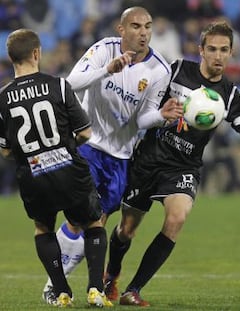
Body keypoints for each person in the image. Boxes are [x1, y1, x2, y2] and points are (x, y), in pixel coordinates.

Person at [103, 21, 240, 306]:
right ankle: (112, 275)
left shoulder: (231, 95)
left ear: (232, 52)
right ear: (201, 50)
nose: (218, 56)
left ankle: (133, 290)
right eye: (212, 49)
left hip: (183, 168)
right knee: (127, 230)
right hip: (148, 160)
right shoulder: (174, 71)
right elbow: (144, 109)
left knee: (177, 218)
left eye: (224, 50)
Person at [41, 6, 183, 304]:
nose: (143, 32)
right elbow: (69, 84)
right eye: (135, 26)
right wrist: (107, 70)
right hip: (89, 146)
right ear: (121, 29)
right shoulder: (103, 50)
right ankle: (55, 285)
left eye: (147, 26)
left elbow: (143, 119)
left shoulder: (159, 69)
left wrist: (161, 115)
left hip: (121, 158)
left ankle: (90, 290)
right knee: (82, 218)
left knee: (99, 222)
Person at [0, 29, 112, 307]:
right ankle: (96, 290)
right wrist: (63, 147)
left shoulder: (2, 98)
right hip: (69, 170)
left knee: (43, 228)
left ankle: (62, 292)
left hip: (33, 176)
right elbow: (85, 133)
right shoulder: (59, 86)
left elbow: (4, 150)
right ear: (37, 53)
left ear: (10, 57)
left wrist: (31, 156)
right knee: (94, 223)